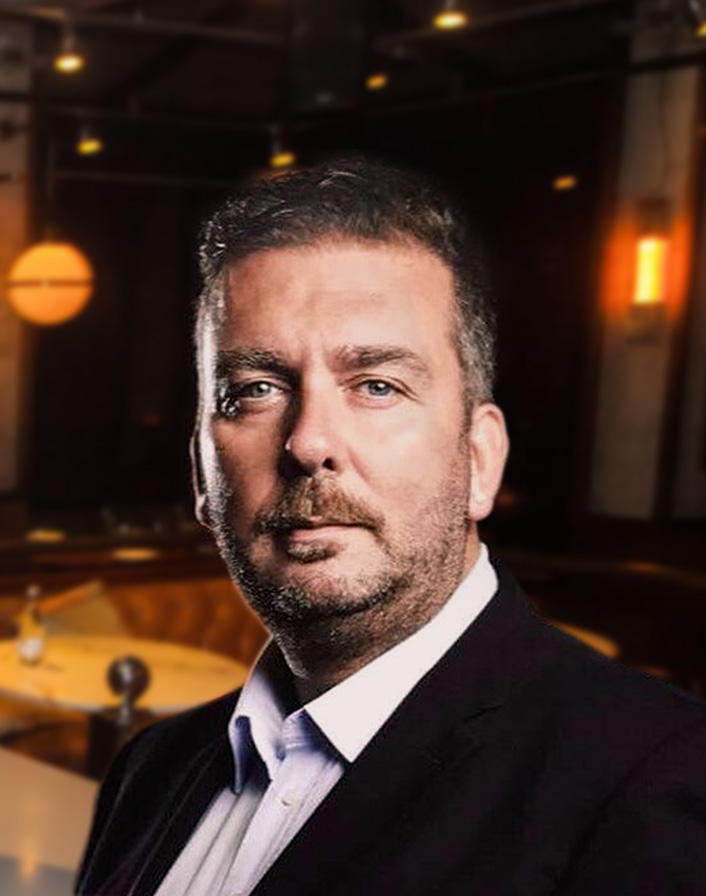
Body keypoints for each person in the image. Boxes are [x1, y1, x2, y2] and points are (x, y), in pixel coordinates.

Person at [76, 158, 706, 896]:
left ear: (479, 459)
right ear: (199, 474)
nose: (308, 442)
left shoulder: (654, 780)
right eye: (255, 390)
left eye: (377, 385)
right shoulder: (151, 769)